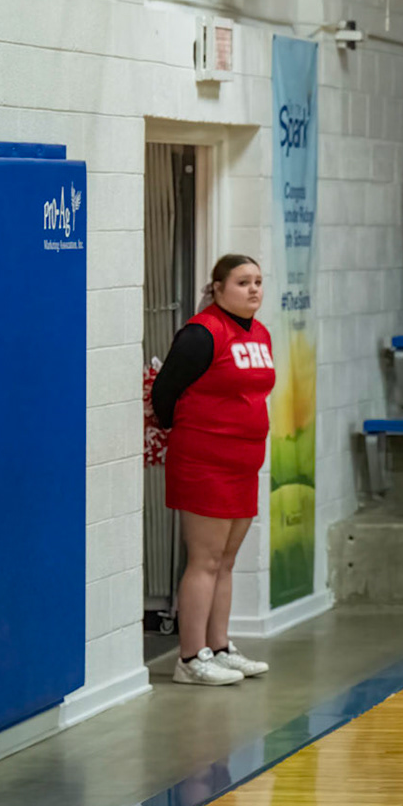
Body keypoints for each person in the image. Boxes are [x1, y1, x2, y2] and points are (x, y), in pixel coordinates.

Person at [149, 255, 276, 686]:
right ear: (218, 288)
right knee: (204, 560)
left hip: (244, 463)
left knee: (226, 561)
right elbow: (165, 393)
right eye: (242, 282)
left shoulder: (260, 333)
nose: (253, 289)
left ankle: (219, 647)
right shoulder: (201, 333)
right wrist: (192, 431)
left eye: (258, 281)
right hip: (204, 462)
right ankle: (190, 657)